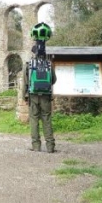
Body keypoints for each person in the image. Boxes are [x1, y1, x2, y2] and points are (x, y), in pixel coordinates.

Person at [23, 22, 57, 153]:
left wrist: (24, 96)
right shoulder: (49, 64)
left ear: (34, 53)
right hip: (46, 97)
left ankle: (36, 146)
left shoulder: (29, 64)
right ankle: (50, 147)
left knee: (34, 120)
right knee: (47, 120)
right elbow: (53, 80)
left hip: (33, 96)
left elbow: (25, 82)